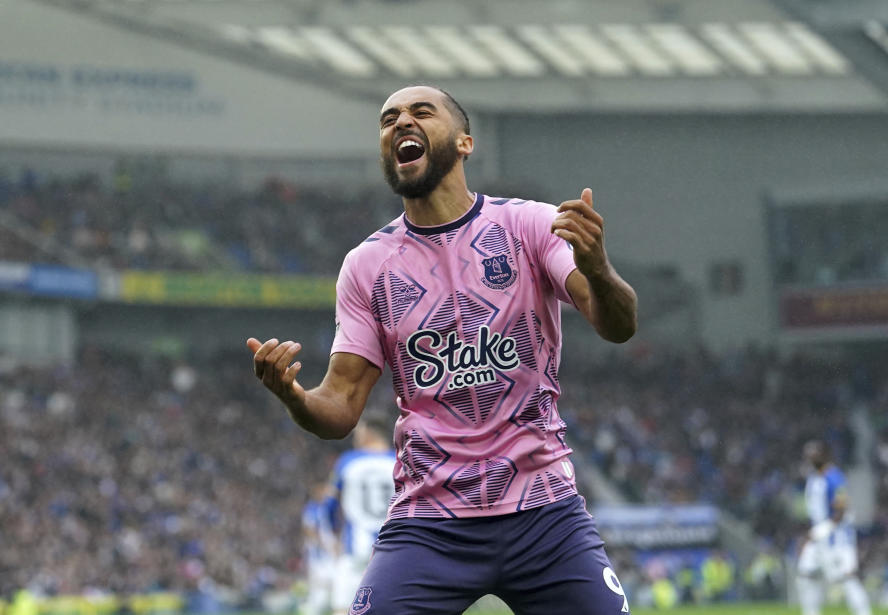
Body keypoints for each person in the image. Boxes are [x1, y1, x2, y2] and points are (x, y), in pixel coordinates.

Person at [247, 84, 638, 614]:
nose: (400, 122)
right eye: (388, 119)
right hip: (430, 523)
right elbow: (339, 410)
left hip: (544, 513)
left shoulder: (528, 225)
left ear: (464, 143)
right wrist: (293, 395)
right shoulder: (367, 266)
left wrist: (598, 268)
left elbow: (617, 324)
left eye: (420, 112)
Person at [328, 414, 397, 615]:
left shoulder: (348, 462)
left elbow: (331, 504)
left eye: (357, 432)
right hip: (393, 546)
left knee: (343, 608)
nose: (354, 437)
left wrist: (334, 533)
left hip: (355, 547)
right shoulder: (398, 461)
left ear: (367, 432)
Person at [796, 439, 872, 615]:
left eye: (813, 454)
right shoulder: (813, 478)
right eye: (807, 455)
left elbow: (842, 510)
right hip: (817, 538)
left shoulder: (835, 477)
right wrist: (811, 532)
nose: (810, 458)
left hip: (837, 538)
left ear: (824, 455)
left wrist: (822, 530)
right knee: (805, 575)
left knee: (848, 578)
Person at [300, 482, 337, 615]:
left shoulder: (326, 508)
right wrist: (321, 543)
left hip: (328, 549)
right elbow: (308, 528)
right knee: (320, 585)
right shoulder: (311, 508)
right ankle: (312, 608)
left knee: (333, 583)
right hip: (319, 553)